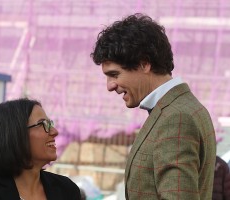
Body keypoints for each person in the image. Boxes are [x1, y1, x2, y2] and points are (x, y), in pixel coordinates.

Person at [90, 13, 216, 199]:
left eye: (115, 74)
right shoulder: (178, 109)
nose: (110, 86)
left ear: (144, 64)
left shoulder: (176, 118)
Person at [0, 98, 81, 200]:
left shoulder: (66, 190)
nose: (54, 132)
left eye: (50, 124)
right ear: (15, 134)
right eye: (43, 124)